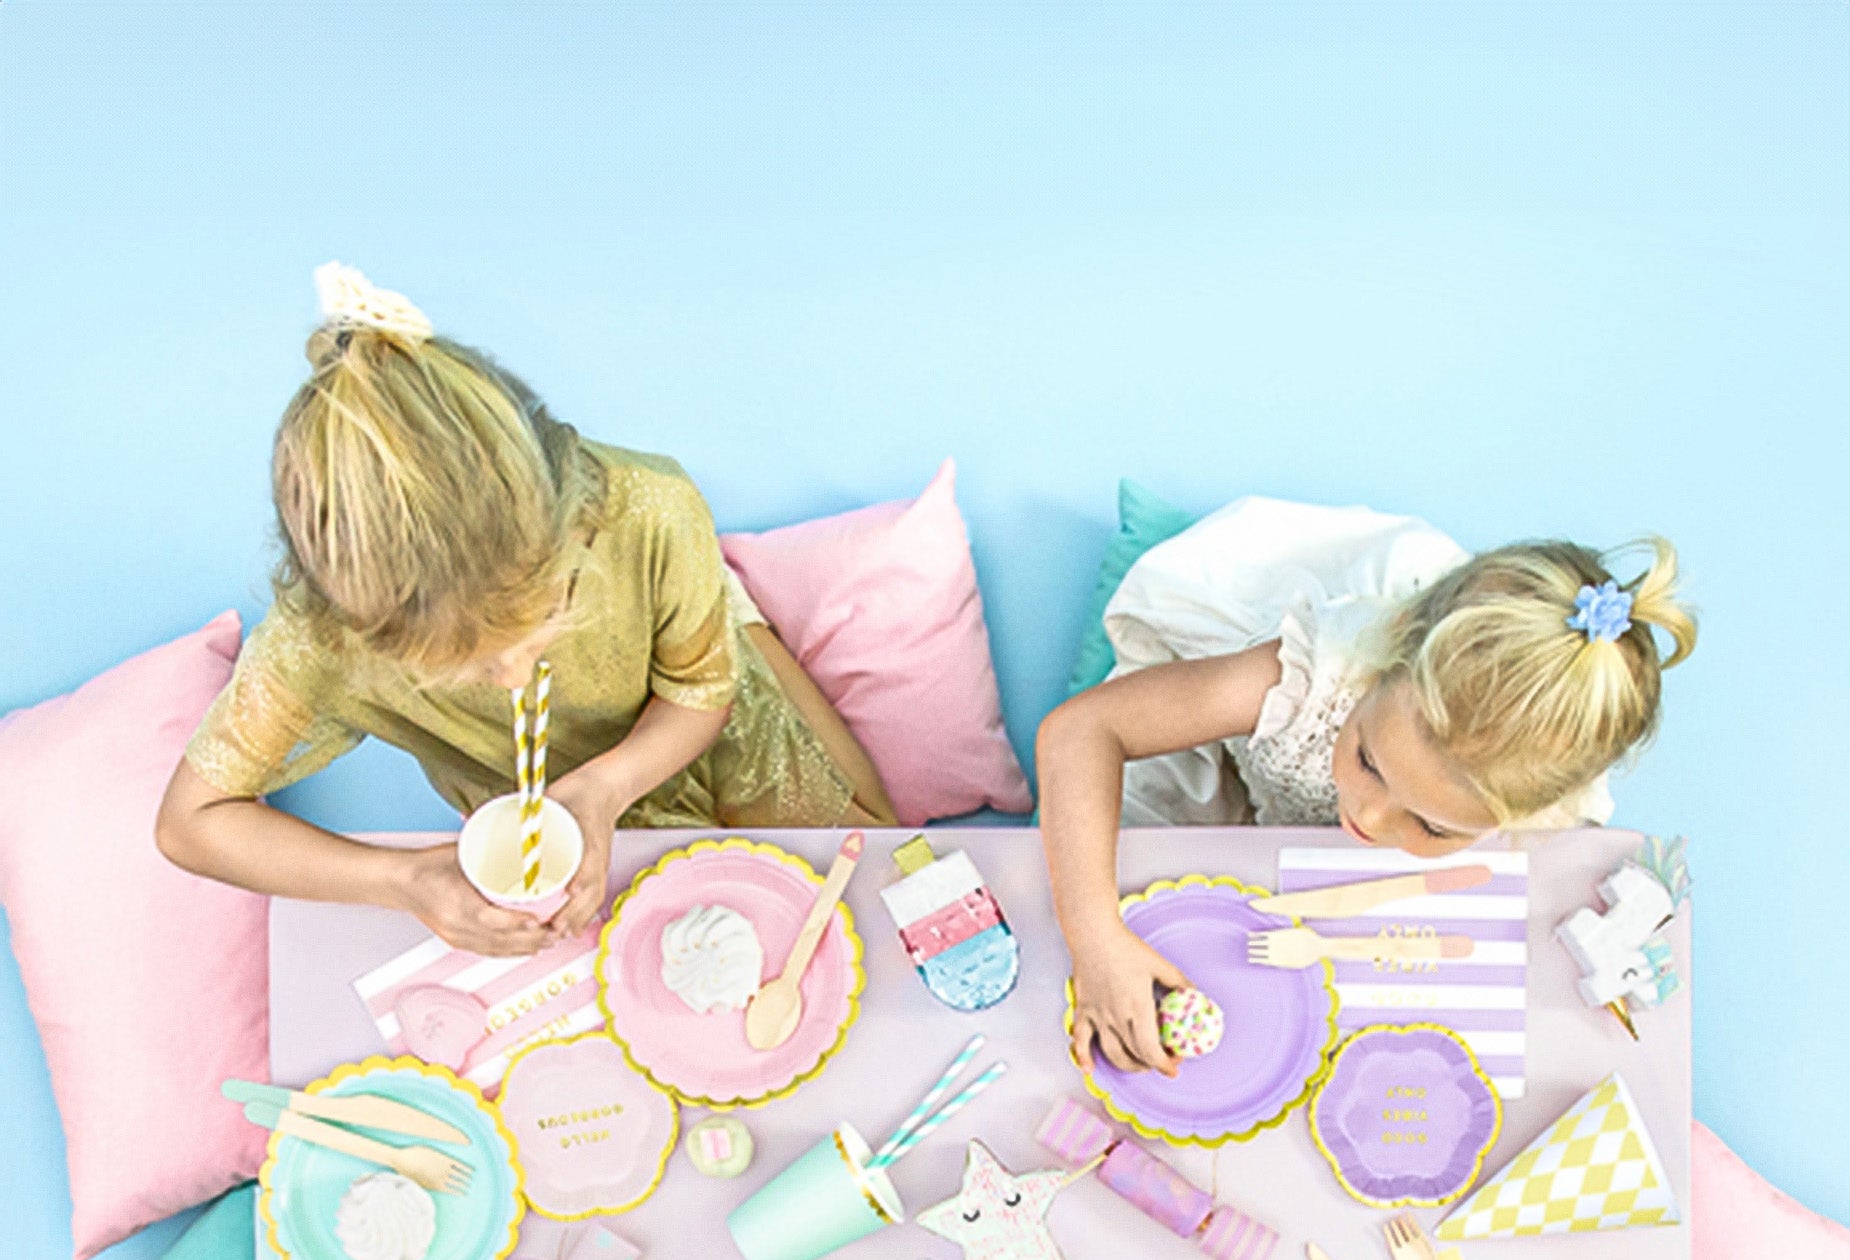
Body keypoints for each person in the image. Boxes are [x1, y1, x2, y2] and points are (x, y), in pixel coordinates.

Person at [157, 264, 894, 959]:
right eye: (472, 667)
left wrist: (606, 786)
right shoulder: (320, 643)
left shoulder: (649, 510)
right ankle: (710, 610)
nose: (515, 680)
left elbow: (700, 695)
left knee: (877, 879)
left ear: (575, 526)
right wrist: (405, 880)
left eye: (541, 623)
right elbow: (189, 825)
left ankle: (731, 617)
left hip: (691, 719)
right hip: (532, 801)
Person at [1037, 494, 1697, 1072]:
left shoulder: (1548, 802)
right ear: (1384, 665)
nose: (1371, 820)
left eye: (1432, 825)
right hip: (1265, 669)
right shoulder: (1313, 677)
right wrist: (1094, 936)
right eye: (1368, 762)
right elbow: (1080, 732)